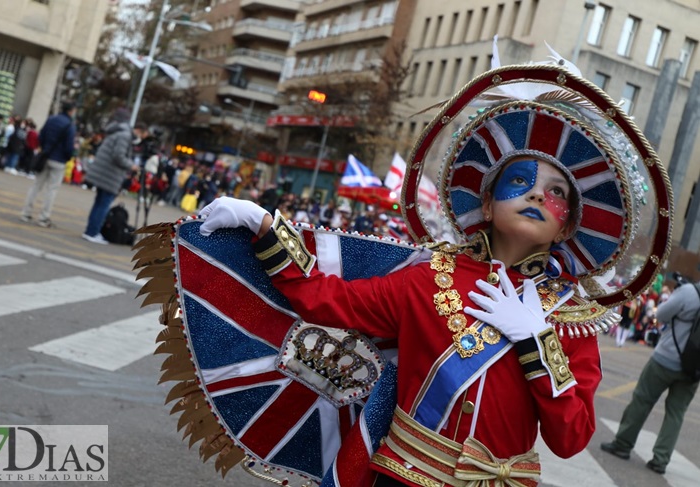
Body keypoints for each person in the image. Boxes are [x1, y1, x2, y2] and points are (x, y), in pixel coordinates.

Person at [180, 48, 672, 486]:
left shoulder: (570, 320)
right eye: (520, 179)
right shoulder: (427, 278)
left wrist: (536, 342)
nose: (539, 194)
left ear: (567, 228)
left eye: (558, 192)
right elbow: (325, 299)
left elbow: (570, 439)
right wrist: (265, 226)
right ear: (486, 200)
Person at [601, 281, 700, 474]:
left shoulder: (689, 292)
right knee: (676, 414)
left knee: (642, 401)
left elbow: (661, 314)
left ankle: (623, 444)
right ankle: (661, 460)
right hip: (694, 369)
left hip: (666, 358)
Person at [81, 108, 137, 244]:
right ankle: (92, 232)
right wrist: (131, 165)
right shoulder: (124, 135)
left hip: (103, 174)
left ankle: (91, 230)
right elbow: (119, 156)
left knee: (99, 203)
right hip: (110, 175)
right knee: (103, 205)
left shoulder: (114, 132)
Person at [20, 101, 76, 227]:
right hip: (59, 160)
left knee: (36, 185)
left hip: (45, 157)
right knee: (51, 190)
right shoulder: (70, 125)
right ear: (71, 111)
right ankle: (43, 217)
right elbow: (69, 147)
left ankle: (26, 212)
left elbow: (41, 137)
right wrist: (67, 157)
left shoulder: (51, 119)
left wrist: (45, 148)